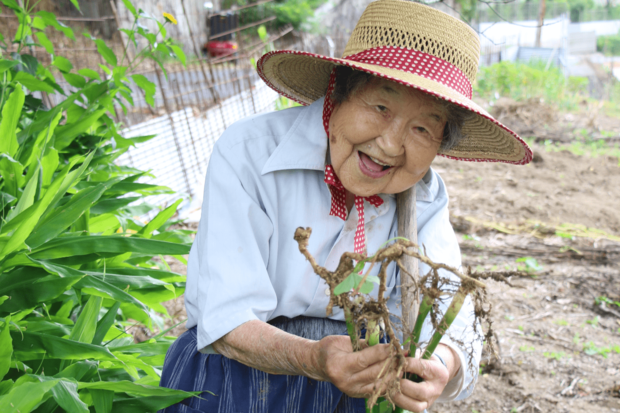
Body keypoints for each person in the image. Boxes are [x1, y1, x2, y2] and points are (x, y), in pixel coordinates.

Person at [159, 1, 532, 412]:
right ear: (338, 91)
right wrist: (314, 357)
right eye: (380, 107)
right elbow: (225, 317)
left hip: (364, 388)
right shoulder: (250, 155)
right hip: (237, 378)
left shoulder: (423, 196)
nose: (390, 144)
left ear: (441, 143)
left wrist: (441, 364)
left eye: (423, 128)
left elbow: (450, 319)